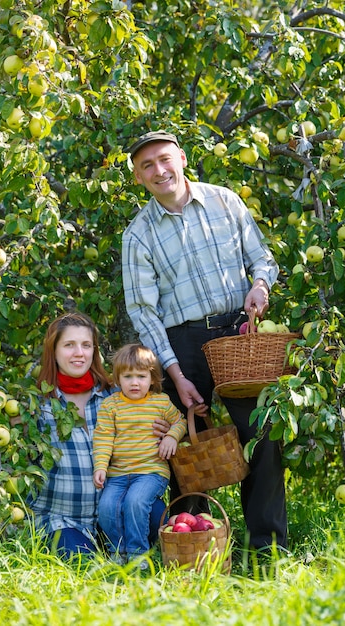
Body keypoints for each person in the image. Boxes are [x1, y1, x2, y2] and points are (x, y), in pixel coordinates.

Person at [121, 129, 288, 552]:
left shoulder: (224, 200)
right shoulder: (138, 234)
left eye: (164, 159)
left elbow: (262, 258)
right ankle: (191, 549)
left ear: (181, 157)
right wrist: (175, 374)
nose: (159, 170)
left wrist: (261, 287)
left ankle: (265, 549)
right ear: (138, 177)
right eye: (147, 166)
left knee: (263, 434)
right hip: (183, 345)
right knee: (181, 451)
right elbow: (144, 312)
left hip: (238, 337)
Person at [27, 312, 170, 559]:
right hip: (63, 518)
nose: (79, 353)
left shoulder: (116, 396)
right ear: (54, 350)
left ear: (95, 350)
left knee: (161, 519)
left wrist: (165, 431)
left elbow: (153, 425)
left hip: (115, 509)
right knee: (85, 561)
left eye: (86, 345)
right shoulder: (37, 405)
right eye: (69, 345)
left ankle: (120, 546)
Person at [93, 343, 187, 564]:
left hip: (150, 471)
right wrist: (101, 466)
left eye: (141, 376)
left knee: (135, 502)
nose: (134, 382)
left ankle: (137, 554)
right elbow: (103, 438)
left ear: (152, 379)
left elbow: (180, 421)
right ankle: (118, 551)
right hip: (117, 474)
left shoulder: (160, 402)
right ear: (117, 380)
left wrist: (172, 436)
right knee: (106, 507)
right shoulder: (111, 406)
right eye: (127, 377)